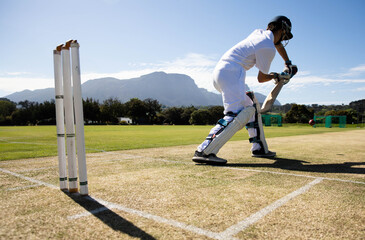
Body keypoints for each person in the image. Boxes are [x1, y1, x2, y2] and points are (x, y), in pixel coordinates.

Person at [192, 16, 298, 165]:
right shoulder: (267, 47)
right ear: (282, 30)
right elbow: (261, 78)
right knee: (237, 113)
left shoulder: (259, 33)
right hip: (232, 73)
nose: (284, 39)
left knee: (252, 108)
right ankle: (204, 151)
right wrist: (277, 76)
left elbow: (278, 45)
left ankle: (259, 148)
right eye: (285, 35)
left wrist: (288, 63)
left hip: (222, 71)